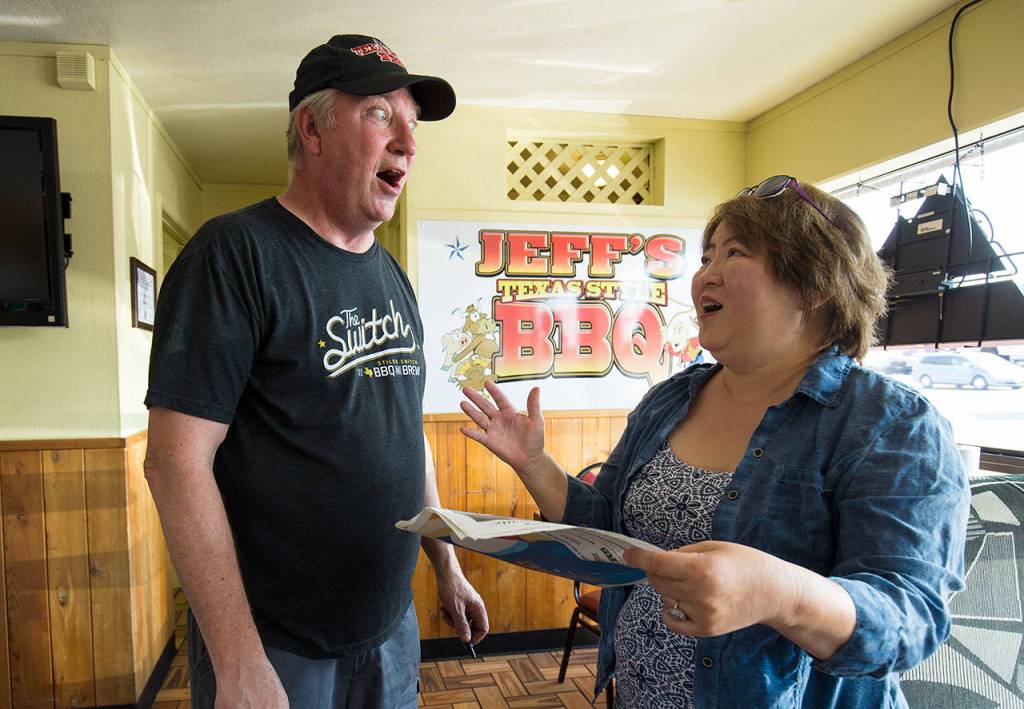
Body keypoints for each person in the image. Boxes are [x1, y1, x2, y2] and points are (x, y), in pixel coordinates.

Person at [459, 175, 969, 708]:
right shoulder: (669, 399)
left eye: (735, 252)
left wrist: (779, 593)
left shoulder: (891, 424)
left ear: (815, 284)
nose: (706, 273)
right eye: (706, 256)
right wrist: (534, 462)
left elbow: (910, 619)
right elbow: (609, 531)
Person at [144, 34, 487, 709]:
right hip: (274, 645)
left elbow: (404, 433)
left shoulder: (393, 277)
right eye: (381, 115)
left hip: (389, 630)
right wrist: (238, 661)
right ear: (313, 127)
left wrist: (446, 562)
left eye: (412, 126)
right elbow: (175, 463)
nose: (409, 145)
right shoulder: (235, 254)